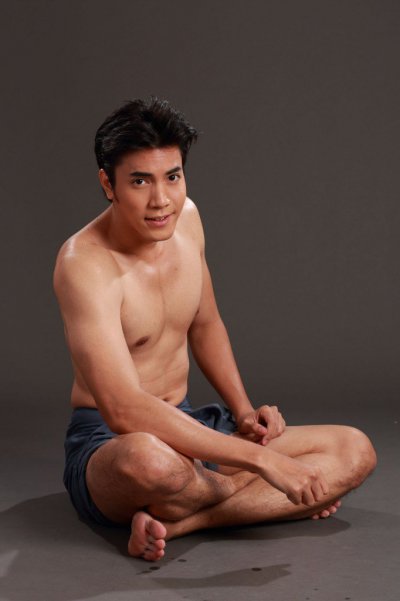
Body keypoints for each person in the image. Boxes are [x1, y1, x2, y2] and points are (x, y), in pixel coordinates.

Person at [53, 97, 377, 562]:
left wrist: (243, 413)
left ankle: (183, 520)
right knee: (151, 461)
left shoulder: (186, 219)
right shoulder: (83, 264)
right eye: (140, 181)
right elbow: (123, 409)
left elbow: (205, 324)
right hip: (112, 440)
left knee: (354, 449)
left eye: (173, 176)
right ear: (109, 184)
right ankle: (257, 502)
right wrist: (264, 462)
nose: (161, 200)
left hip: (192, 425)